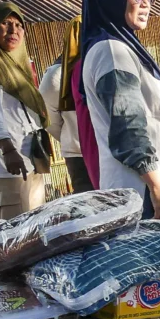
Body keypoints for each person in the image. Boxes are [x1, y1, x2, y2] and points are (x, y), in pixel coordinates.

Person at [79, 0, 160, 219]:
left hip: (147, 185)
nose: (145, 2)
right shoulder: (112, 52)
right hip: (143, 190)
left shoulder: (119, 47)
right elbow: (128, 128)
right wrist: (157, 187)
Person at [0, 2, 51, 220]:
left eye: (18, 24)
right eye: (5, 23)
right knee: (16, 234)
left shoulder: (20, 65)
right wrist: (8, 149)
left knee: (37, 228)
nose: (13, 30)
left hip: (29, 159)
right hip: (7, 166)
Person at [38, 17, 94, 194]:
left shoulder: (101, 65)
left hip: (110, 151)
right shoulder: (56, 76)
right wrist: (76, 135)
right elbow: (48, 119)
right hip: (80, 155)